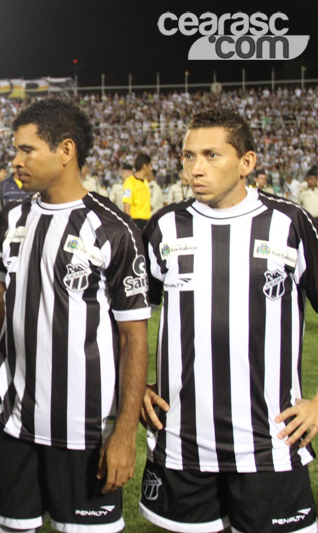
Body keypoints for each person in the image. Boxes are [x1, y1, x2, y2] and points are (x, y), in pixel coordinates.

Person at [0, 98, 150, 533]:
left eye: (27, 150)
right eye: (16, 150)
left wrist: (124, 435)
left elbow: (133, 340)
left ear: (65, 151)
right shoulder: (15, 217)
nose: (16, 161)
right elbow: (1, 310)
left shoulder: (113, 230)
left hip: (85, 432)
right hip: (16, 425)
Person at [140, 107, 318, 532]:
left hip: (269, 444)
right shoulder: (165, 227)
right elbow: (125, 319)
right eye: (187, 156)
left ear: (247, 163)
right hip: (181, 443)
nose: (195, 169)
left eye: (210, 155)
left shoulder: (290, 225)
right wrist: (135, 390)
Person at [123, 154, 152, 229]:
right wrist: (130, 225)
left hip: (147, 221)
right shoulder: (129, 183)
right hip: (135, 221)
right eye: (150, 166)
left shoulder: (145, 182)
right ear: (144, 166)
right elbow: (126, 206)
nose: (151, 169)